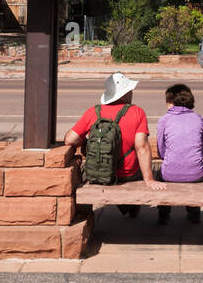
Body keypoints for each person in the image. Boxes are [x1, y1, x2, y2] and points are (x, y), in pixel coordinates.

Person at [63, 72, 164, 215]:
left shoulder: (93, 112)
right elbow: (142, 148)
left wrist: (86, 142)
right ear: (123, 94)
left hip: (98, 173)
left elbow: (69, 140)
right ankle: (131, 207)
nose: (131, 92)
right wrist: (149, 179)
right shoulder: (137, 112)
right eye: (129, 90)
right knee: (138, 171)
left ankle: (125, 205)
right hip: (127, 174)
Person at [155, 83, 203, 225]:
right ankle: (194, 213)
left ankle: (163, 215)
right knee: (196, 171)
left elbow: (161, 150)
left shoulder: (164, 120)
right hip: (195, 173)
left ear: (170, 103)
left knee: (160, 176)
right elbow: (202, 151)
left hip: (169, 174)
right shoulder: (198, 119)